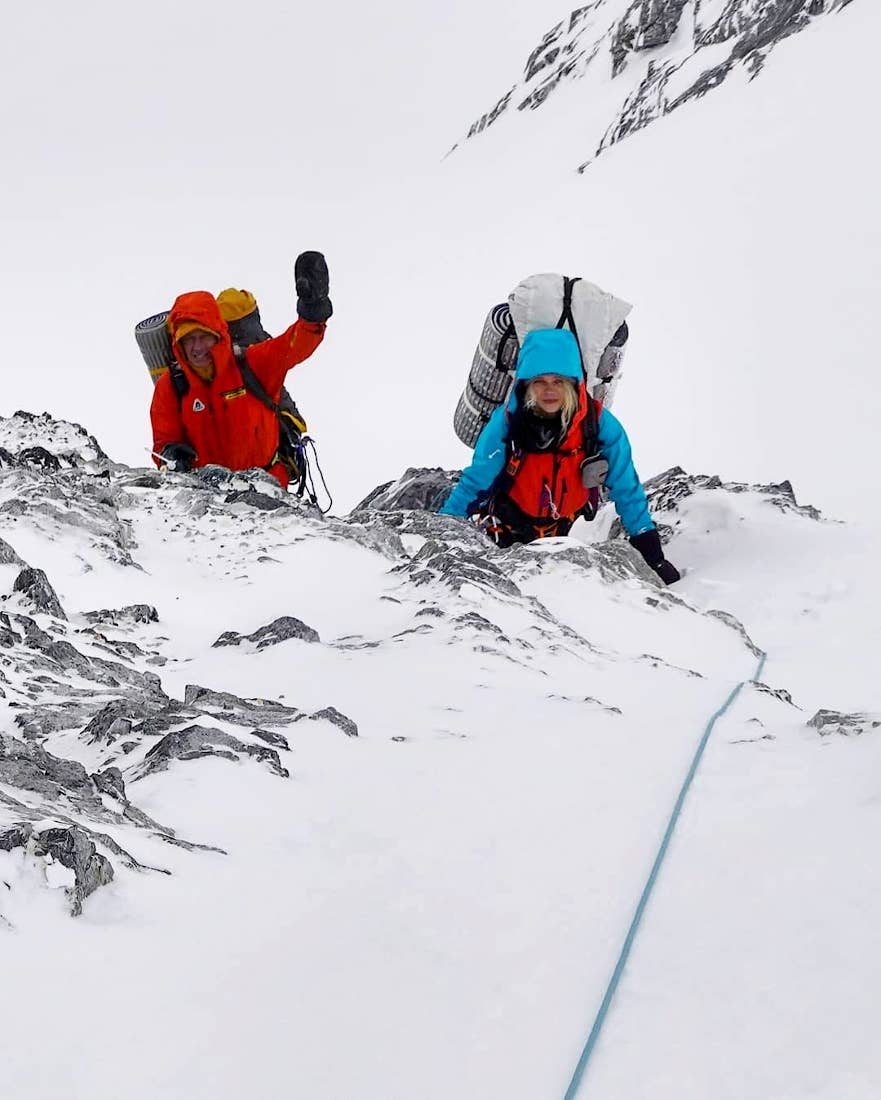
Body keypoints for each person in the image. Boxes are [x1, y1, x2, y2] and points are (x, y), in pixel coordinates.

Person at [439, 327, 680, 584]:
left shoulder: (597, 424)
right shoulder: (507, 424)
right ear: (526, 385)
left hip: (568, 531)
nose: (549, 390)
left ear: (574, 384)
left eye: (558, 381)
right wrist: (440, 534)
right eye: (539, 381)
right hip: (508, 533)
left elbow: (626, 486)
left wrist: (652, 555)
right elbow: (475, 484)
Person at [150, 251, 332, 488]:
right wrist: (171, 452)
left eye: (203, 337)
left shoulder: (252, 363)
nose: (196, 348)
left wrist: (313, 311)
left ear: (218, 334)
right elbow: (164, 439)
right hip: (208, 500)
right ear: (178, 343)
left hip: (268, 491)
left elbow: (294, 345)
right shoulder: (171, 385)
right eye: (188, 339)